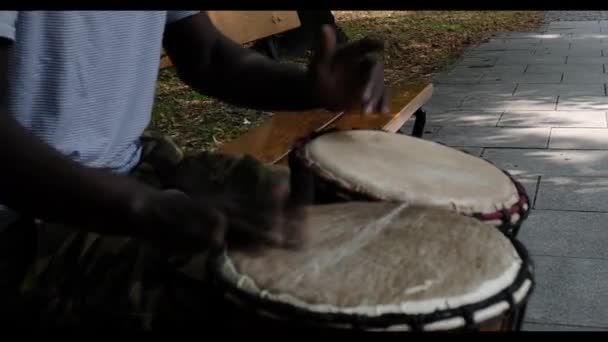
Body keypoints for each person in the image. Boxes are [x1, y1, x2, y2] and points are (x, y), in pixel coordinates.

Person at [0, 11, 388, 329]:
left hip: (135, 166)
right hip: (29, 221)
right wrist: (145, 207)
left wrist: (312, 89)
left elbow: (210, 58)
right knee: (273, 296)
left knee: (343, 228)